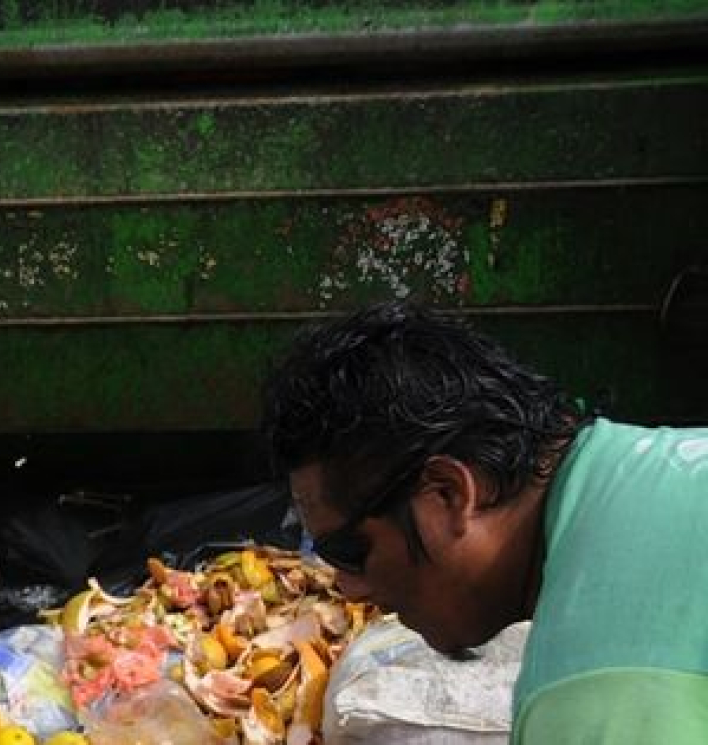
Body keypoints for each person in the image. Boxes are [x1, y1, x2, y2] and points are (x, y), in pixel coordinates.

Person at [262, 300, 708, 742]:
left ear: (447, 493)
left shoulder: (592, 697)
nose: (348, 588)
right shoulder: (656, 464)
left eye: (348, 552)